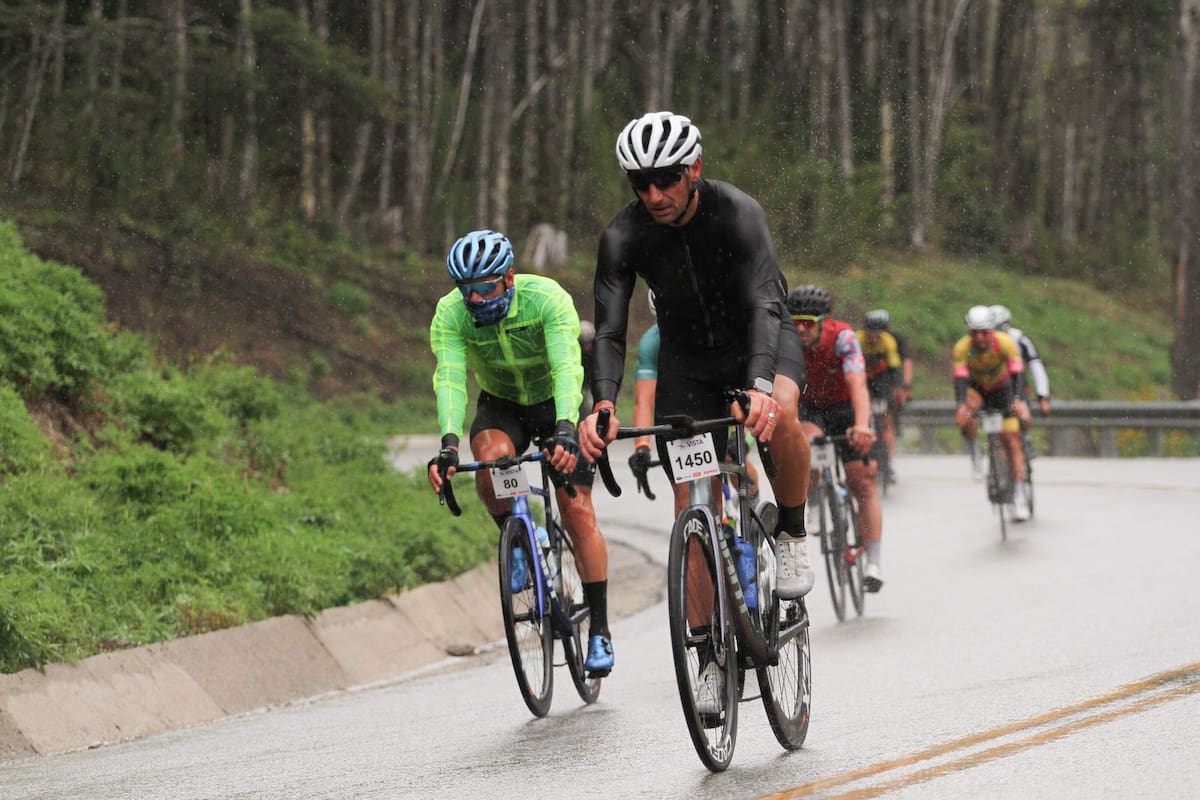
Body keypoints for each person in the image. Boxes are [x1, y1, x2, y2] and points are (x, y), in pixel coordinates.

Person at [578, 111, 815, 713]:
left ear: (694, 169)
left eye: (665, 179)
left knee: (783, 412)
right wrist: (603, 401)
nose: (654, 195)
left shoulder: (738, 213)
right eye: (640, 183)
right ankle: (708, 653)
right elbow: (609, 331)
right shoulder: (623, 235)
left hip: (758, 339)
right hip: (687, 360)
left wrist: (759, 386)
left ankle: (791, 530)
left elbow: (764, 303)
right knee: (690, 503)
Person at [426, 229, 615, 675]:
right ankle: (516, 537)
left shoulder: (545, 298)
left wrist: (566, 427)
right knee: (490, 460)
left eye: (484, 287)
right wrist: (448, 444)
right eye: (466, 290)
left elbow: (567, 367)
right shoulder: (450, 314)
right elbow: (449, 378)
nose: (474, 299)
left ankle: (600, 628)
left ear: (509, 277)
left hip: (554, 404)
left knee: (577, 510)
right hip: (503, 405)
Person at [790, 286, 884, 592]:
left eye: (808, 323)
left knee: (863, 481)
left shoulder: (843, 337)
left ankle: (873, 561)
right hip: (811, 408)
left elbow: (858, 383)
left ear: (823, 322)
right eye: (796, 322)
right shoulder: (786, 340)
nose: (801, 329)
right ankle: (815, 499)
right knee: (807, 446)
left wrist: (862, 425)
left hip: (845, 408)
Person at [627, 290, 760, 505]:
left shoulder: (719, 329)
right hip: (685, 402)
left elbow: (743, 394)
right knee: (684, 486)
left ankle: (753, 504)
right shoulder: (652, 342)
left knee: (731, 456)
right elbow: (644, 400)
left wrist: (742, 438)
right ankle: (698, 522)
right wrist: (642, 446)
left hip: (724, 399)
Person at [952, 305, 1030, 521]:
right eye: (974, 332)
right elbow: (960, 378)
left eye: (984, 332)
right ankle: (976, 454)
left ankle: (1019, 495)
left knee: (1012, 441)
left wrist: (1017, 399)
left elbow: (1017, 373)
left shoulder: (1005, 343)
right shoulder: (962, 348)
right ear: (969, 332)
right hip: (978, 390)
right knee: (966, 413)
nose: (979, 337)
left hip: (1003, 390)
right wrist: (961, 405)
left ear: (992, 330)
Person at [857, 310, 903, 485]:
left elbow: (894, 369)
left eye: (877, 334)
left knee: (886, 421)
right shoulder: (857, 339)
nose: (873, 338)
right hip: (862, 378)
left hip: (881, 380)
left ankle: (888, 463)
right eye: (870, 334)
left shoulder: (888, 341)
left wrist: (896, 390)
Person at [989, 304, 1051, 417]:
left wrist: (1042, 395)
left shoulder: (1019, 339)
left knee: (1022, 416)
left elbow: (1036, 365)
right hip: (991, 387)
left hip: (1017, 387)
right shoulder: (983, 342)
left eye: (1001, 328)